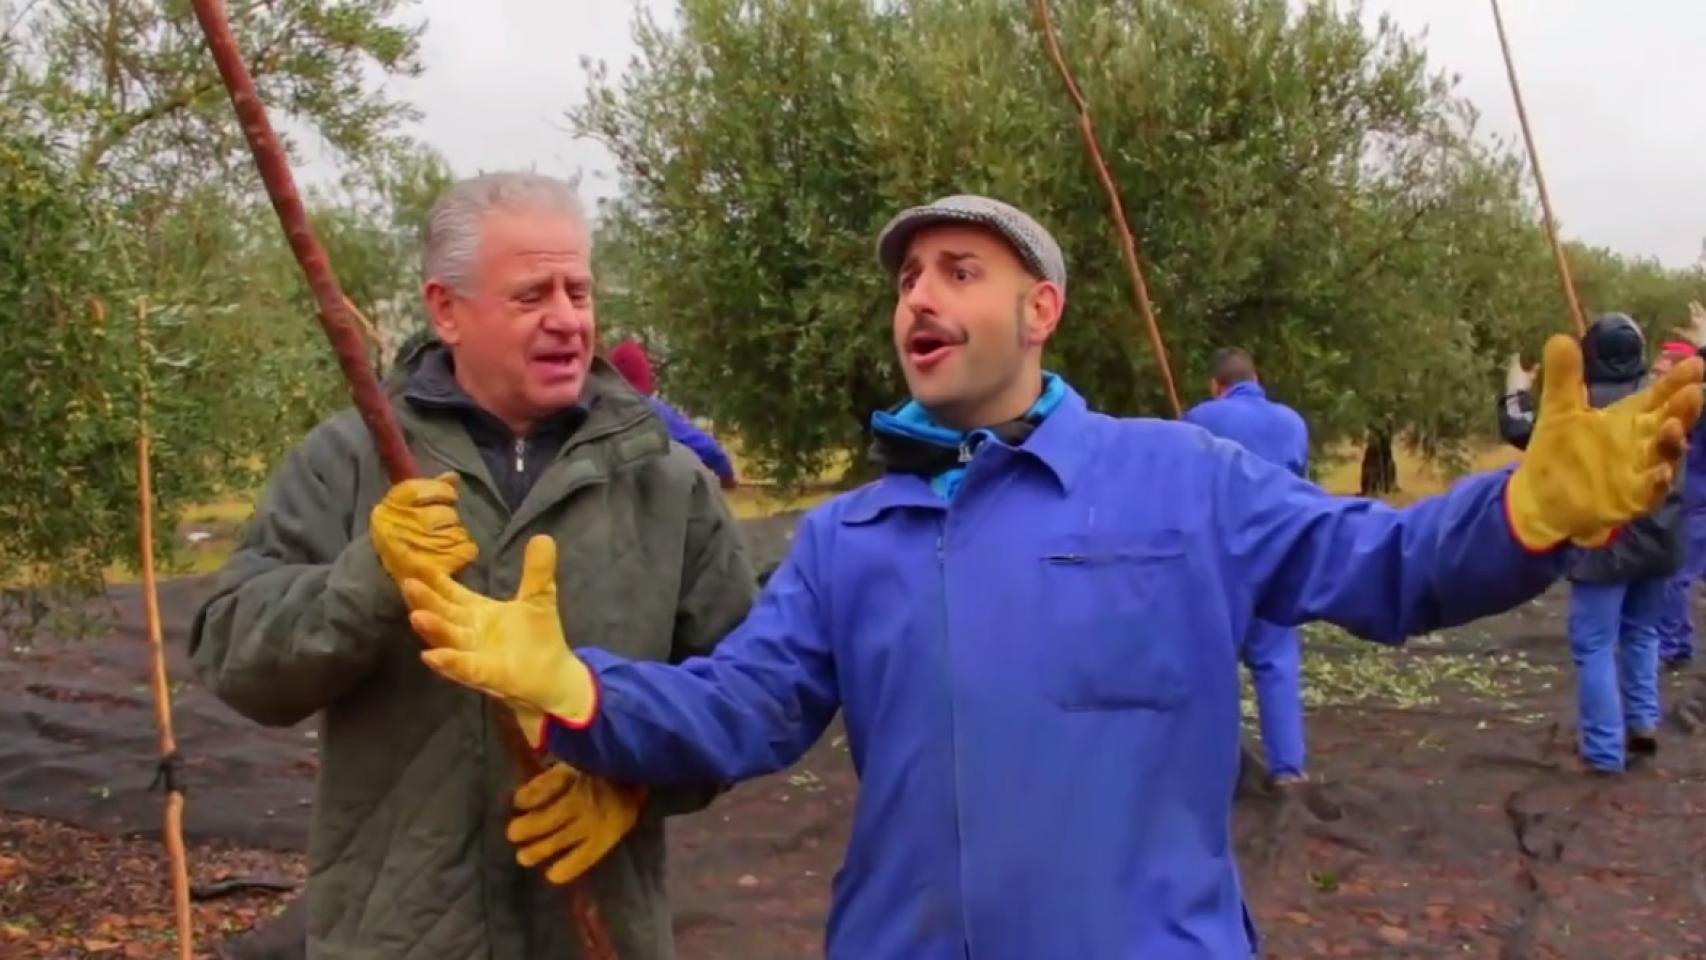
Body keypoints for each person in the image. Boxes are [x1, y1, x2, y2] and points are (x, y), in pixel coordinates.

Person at [402, 195, 1702, 959]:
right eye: (908, 278)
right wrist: (574, 686)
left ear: (1041, 312)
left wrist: (1523, 510)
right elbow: (737, 710)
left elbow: (1389, 565)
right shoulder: (849, 540)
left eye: (959, 271)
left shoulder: (1184, 479)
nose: (919, 295)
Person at [189, 172, 757, 959]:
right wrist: (368, 578)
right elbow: (233, 657)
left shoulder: (666, 482)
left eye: (579, 291)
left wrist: (636, 783)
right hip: (397, 940)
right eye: (532, 296)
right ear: (446, 310)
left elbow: (742, 693)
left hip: (598, 936)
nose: (567, 319)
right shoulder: (348, 461)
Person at [1499, 313, 1685, 771]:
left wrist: (1515, 389)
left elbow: (1521, 429)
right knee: (1642, 632)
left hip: (1605, 544)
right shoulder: (1661, 398)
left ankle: (1603, 750)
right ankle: (1642, 723)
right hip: (1661, 539)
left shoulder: (1577, 407)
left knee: (1595, 644)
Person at [1184, 347, 1311, 785]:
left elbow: (1184, 485)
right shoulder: (1293, 423)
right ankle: (1288, 770)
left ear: (1216, 386)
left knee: (1214, 664)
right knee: (1276, 661)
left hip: (1222, 561)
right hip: (1279, 555)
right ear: (1255, 379)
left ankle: (1216, 770)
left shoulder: (1202, 418)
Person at [606, 337, 741, 490]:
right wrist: (726, 476)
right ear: (643, 374)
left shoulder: (597, 409)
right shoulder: (652, 411)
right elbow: (707, 449)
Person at [1654, 306, 1706, 669]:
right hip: (1687, 496)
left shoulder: (1694, 403)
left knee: (1675, 574)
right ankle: (1676, 642)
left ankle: (1673, 646)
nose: (1656, 370)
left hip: (1696, 496)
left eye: (1664, 365)